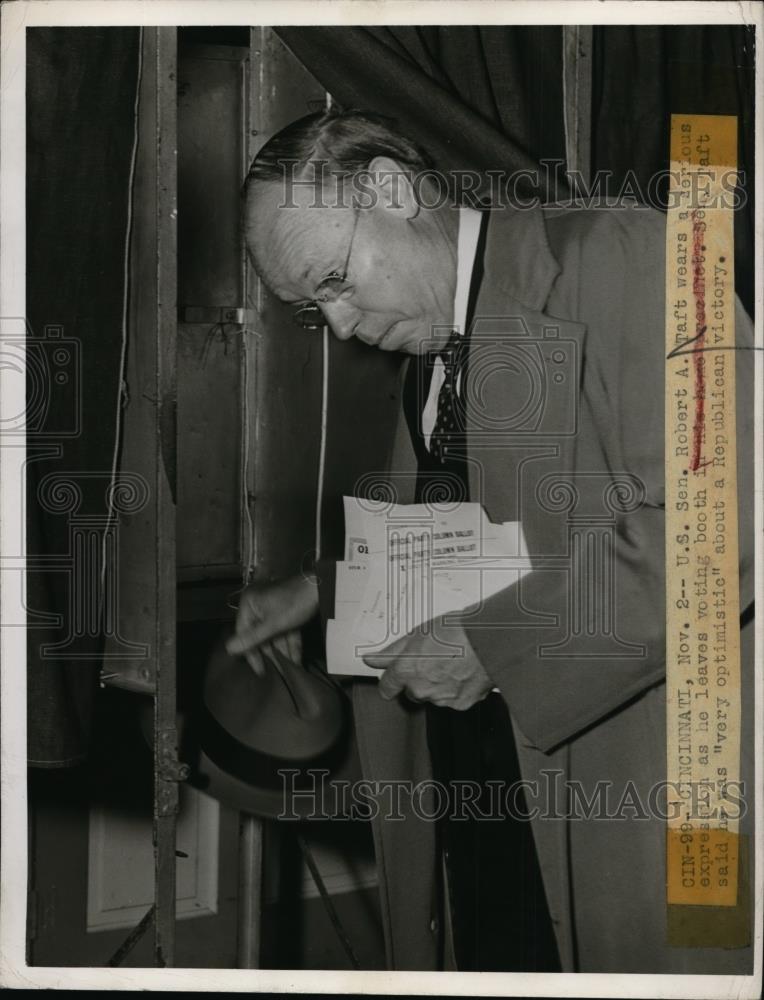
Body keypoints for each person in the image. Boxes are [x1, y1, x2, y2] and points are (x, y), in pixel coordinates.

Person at [229, 109, 755, 973]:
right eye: (315, 310)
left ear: (392, 189)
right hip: (489, 813)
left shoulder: (624, 254)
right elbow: (484, 541)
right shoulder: (432, 348)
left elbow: (724, 523)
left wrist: (494, 647)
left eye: (336, 280)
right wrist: (327, 591)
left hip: (632, 800)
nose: (345, 326)